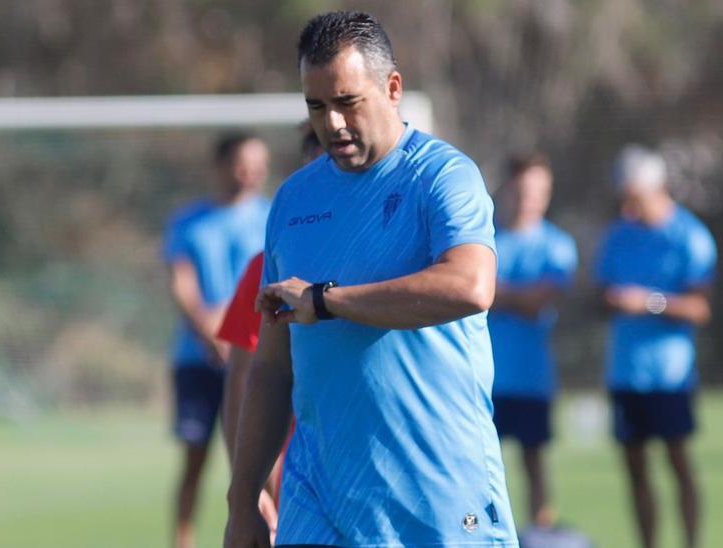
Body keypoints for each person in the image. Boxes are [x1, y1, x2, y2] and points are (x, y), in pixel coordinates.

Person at [225, 11, 516, 547]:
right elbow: (271, 367)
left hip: (438, 492)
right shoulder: (293, 200)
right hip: (319, 498)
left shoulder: (443, 177)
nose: (331, 122)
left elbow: (470, 286)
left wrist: (328, 301)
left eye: (347, 101)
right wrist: (243, 500)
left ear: (392, 88)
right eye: (316, 106)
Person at [596, 145, 714, 548]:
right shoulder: (618, 235)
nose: (628, 207)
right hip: (625, 371)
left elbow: (700, 307)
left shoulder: (690, 237)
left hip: (670, 374)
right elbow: (600, 294)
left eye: (634, 197)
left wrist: (649, 302)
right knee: (635, 469)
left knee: (678, 464)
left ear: (656, 188)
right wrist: (607, 301)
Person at [162, 132, 271, 548]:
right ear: (222, 165)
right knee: (194, 459)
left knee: (259, 461)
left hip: (257, 360)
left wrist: (232, 327)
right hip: (197, 358)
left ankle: (267, 533)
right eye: (244, 163)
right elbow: (181, 284)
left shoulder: (273, 216)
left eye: (259, 164)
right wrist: (209, 332)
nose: (252, 173)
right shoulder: (188, 221)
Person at [216, 124, 323, 539]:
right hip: (297, 479)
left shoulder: (391, 262)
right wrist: (247, 488)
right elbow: (244, 378)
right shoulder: (267, 265)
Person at [488, 152, 577, 529]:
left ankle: (540, 536)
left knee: (534, 465)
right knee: (480, 468)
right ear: (509, 189)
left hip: (530, 377)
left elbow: (534, 302)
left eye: (540, 190)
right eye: (525, 189)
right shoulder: (484, 238)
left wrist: (488, 291)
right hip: (483, 377)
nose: (531, 198)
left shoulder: (557, 245)